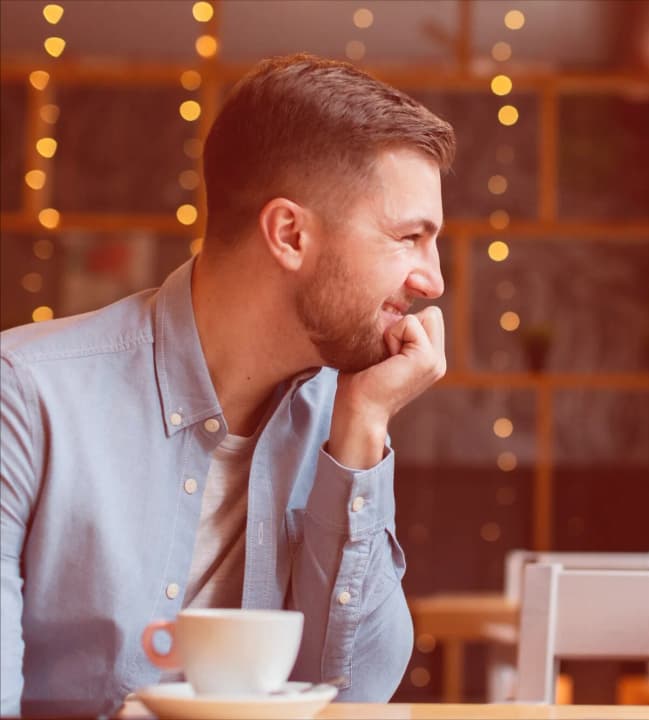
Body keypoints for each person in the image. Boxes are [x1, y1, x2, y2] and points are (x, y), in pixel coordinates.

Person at [0, 54, 455, 716]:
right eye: (409, 237)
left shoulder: (340, 416)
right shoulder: (24, 396)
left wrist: (362, 432)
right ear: (290, 234)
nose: (432, 281)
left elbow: (354, 695)